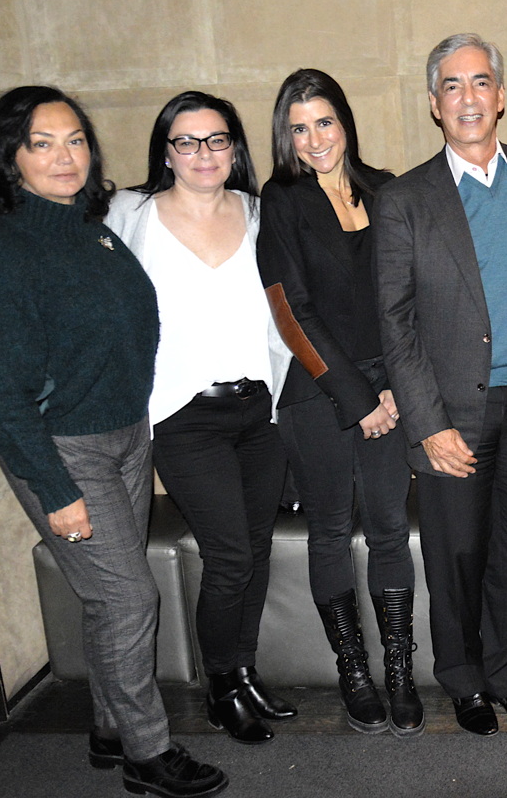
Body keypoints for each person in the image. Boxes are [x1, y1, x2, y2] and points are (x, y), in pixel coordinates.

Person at [0, 86, 228, 797]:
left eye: (74, 139)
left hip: (126, 438)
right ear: (9, 158)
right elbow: (0, 399)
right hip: (64, 449)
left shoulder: (92, 229)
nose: (64, 155)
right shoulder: (1, 251)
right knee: (133, 600)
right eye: (42, 143)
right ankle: (148, 753)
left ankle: (110, 728)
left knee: (111, 602)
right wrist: (56, 490)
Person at [374, 33, 507, 737]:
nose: (469, 97)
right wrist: (428, 424)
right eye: (453, 86)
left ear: (501, 95)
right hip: (454, 412)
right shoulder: (403, 200)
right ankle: (462, 679)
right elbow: (394, 324)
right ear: (435, 104)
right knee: (457, 556)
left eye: (481, 82)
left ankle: (506, 674)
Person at [106, 91, 294, 746]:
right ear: (166, 151)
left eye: (216, 139)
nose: (203, 153)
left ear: (234, 147)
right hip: (183, 417)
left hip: (259, 410)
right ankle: (221, 686)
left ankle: (242, 671)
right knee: (230, 554)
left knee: (258, 547)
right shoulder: (129, 216)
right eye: (186, 141)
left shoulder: (261, 212)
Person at [256, 69, 422, 737]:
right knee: (329, 530)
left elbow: (410, 295)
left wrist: (397, 386)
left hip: (389, 388)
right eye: (299, 128)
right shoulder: (282, 200)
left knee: (387, 526)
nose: (314, 138)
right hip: (318, 392)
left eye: (323, 121)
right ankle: (354, 671)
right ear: (285, 138)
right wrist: (359, 398)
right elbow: (291, 312)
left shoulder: (386, 189)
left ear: (345, 122)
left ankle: (402, 671)